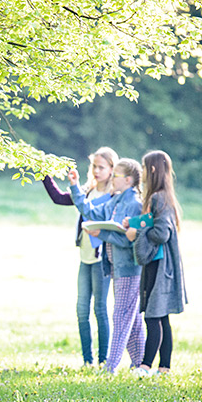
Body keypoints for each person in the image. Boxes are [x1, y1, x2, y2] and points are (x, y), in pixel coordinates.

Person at [42, 147, 117, 366]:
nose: (96, 171)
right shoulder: (86, 191)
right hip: (84, 258)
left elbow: (93, 212)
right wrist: (44, 173)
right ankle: (88, 361)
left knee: (100, 310)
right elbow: (59, 198)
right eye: (94, 166)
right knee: (82, 309)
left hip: (101, 259)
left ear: (112, 169)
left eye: (101, 167)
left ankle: (104, 361)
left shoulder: (113, 195)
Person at [69, 158, 145, 374]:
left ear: (128, 180)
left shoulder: (134, 204)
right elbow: (91, 211)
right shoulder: (117, 200)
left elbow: (129, 240)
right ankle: (139, 364)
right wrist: (75, 187)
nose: (112, 179)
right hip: (116, 267)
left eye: (116, 176)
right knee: (134, 319)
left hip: (129, 269)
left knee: (121, 315)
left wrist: (101, 234)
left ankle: (110, 367)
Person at [125, 150, 188, 377]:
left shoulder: (158, 198)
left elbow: (161, 233)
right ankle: (165, 367)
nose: (141, 172)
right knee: (161, 316)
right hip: (161, 265)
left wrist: (138, 232)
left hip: (159, 266)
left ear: (151, 170)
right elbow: (154, 224)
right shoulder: (164, 196)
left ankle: (145, 365)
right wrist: (134, 223)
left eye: (144, 167)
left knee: (153, 315)